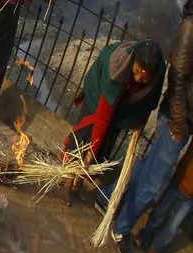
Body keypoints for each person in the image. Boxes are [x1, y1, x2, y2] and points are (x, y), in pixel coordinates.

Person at [110, 0, 193, 253]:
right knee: (153, 181)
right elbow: (177, 77)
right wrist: (179, 123)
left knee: (148, 168)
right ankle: (121, 228)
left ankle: (108, 198)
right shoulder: (191, 27)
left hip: (184, 120)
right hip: (178, 120)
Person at [60, 40, 165, 206]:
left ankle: (78, 185)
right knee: (84, 139)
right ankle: (67, 180)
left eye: (144, 78)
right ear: (133, 62)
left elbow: (149, 103)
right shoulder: (117, 66)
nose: (138, 79)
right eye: (137, 72)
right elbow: (102, 117)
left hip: (123, 106)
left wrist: (138, 122)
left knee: (104, 143)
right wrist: (90, 152)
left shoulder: (158, 74)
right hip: (99, 94)